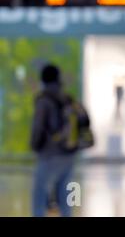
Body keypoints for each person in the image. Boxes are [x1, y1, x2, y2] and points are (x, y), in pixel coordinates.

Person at [30, 64, 77, 217]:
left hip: (50, 154)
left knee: (39, 191)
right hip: (69, 153)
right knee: (67, 193)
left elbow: (38, 126)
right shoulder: (67, 99)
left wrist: (35, 145)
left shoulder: (44, 100)